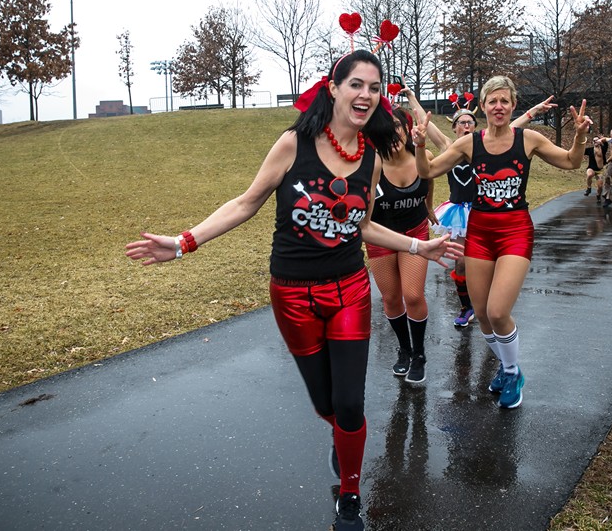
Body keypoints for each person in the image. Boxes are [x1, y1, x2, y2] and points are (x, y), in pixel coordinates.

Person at [125, 49, 462, 531]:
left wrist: (418, 245)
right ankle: (342, 437)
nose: (365, 94)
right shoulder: (293, 144)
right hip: (293, 295)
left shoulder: (370, 157)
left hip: (348, 290)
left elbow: (363, 225)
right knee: (327, 405)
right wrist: (183, 243)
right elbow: (246, 203)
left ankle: (350, 495)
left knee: (350, 404)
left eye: (374, 87)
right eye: (356, 84)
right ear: (334, 88)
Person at [411, 76, 592, 409]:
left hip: (515, 232)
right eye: (492, 101)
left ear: (513, 106)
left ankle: (511, 372)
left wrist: (580, 136)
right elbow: (428, 171)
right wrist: (420, 146)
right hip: (480, 233)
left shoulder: (528, 139)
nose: (498, 106)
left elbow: (572, 161)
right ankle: (508, 367)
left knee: (497, 311)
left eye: (504, 101)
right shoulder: (469, 144)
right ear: (483, 106)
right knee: (481, 314)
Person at [402, 90, 556, 329]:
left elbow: (514, 126)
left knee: (489, 265)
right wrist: (412, 98)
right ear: (454, 127)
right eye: (461, 123)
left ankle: (492, 302)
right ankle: (467, 307)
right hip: (458, 213)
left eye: (470, 122)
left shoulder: (486, 144)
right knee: (461, 263)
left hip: (483, 211)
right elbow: (426, 124)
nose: (466, 126)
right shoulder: (448, 146)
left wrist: (534, 111)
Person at [366, 108, 437, 384]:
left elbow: (429, 178)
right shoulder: (371, 165)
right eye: (385, 128)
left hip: (415, 232)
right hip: (382, 237)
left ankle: (419, 355)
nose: (392, 133)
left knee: (413, 296)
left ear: (407, 129)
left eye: (396, 126)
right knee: (391, 299)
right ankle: (404, 349)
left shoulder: (422, 156)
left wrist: (428, 206)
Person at [584, 135, 608, 203]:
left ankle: (598, 196)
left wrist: (602, 138)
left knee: (600, 186)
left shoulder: (603, 149)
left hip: (599, 170)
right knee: (589, 175)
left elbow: (606, 142)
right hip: (591, 168)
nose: (595, 142)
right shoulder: (590, 150)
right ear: (592, 142)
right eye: (594, 141)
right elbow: (580, 151)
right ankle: (589, 188)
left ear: (599, 141)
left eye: (597, 140)